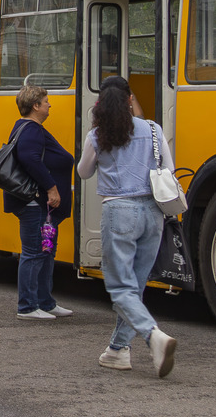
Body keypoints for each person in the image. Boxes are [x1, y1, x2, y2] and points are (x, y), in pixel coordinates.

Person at [76, 75, 179, 378]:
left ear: (101, 106)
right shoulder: (153, 129)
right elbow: (169, 170)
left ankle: (153, 336)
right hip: (153, 212)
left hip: (119, 211)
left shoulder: (97, 135)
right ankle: (118, 350)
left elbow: (83, 172)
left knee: (121, 287)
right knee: (135, 285)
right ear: (130, 99)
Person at [5, 85, 74, 320]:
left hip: (42, 207)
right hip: (35, 203)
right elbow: (29, 159)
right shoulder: (31, 129)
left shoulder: (29, 128)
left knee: (46, 251)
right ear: (35, 106)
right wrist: (51, 188)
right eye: (46, 101)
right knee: (34, 252)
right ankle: (27, 306)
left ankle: (45, 302)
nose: (49, 105)